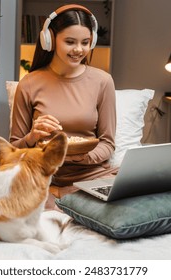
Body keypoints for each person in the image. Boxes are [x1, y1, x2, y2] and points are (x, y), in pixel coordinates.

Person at [10, 4, 118, 188]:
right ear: (50, 40)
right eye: (70, 42)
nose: (78, 50)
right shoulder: (28, 83)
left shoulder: (103, 81)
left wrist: (83, 158)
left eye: (85, 42)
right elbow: (13, 149)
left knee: (145, 186)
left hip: (89, 173)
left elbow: (107, 143)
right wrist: (32, 137)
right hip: (40, 173)